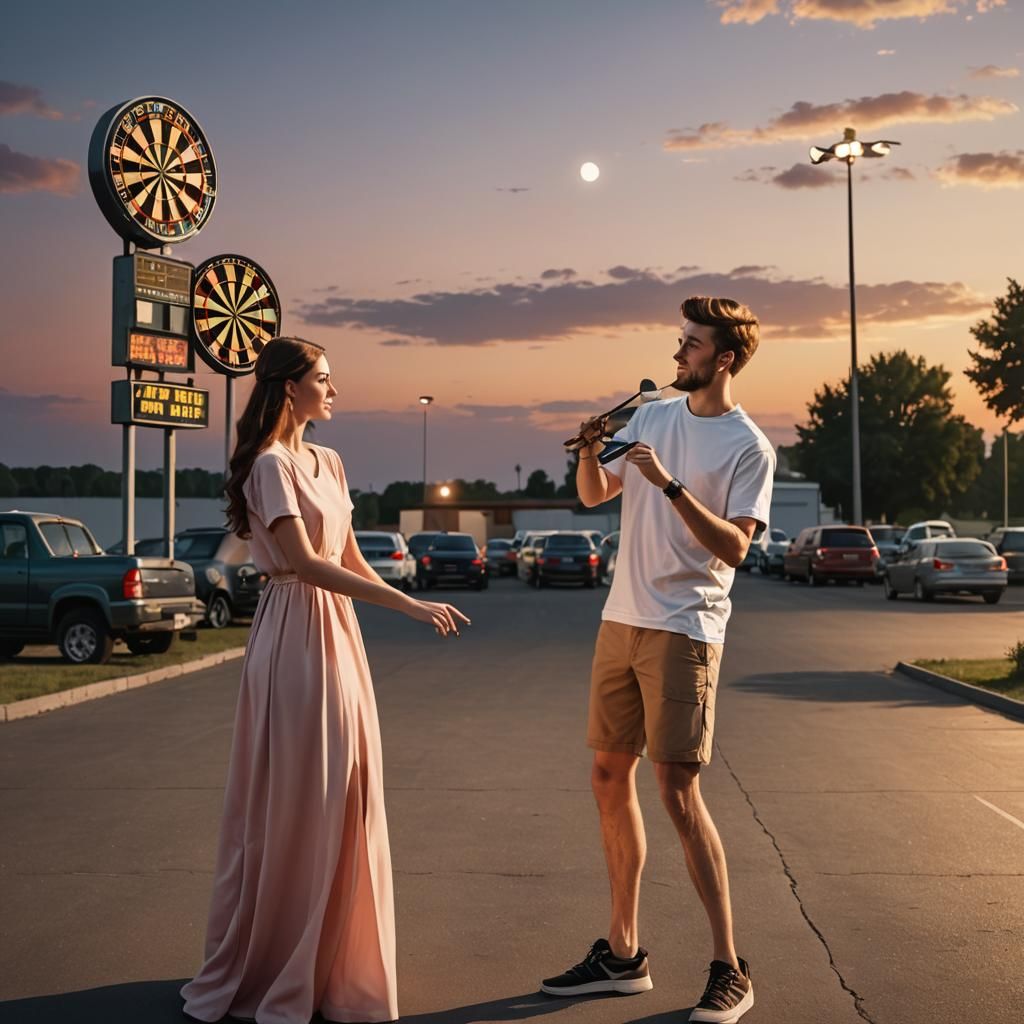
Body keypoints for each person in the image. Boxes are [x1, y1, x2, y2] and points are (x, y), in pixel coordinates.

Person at [181, 337, 468, 1024]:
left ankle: (337, 962)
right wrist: (406, 603)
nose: (334, 391)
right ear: (289, 388)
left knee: (348, 787)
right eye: (324, 380)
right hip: (291, 635)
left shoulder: (330, 462)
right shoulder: (268, 465)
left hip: (338, 635)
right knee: (301, 794)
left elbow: (348, 560)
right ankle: (282, 961)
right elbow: (305, 564)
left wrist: (409, 600)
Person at [541, 297, 774, 1023]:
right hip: (622, 619)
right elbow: (593, 496)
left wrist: (669, 482)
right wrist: (588, 450)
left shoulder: (749, 447)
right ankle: (623, 953)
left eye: (692, 345)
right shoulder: (652, 414)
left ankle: (730, 967)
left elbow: (735, 548)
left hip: (686, 627)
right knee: (610, 775)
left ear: (724, 359)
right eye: (680, 342)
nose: (679, 354)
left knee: (677, 790)